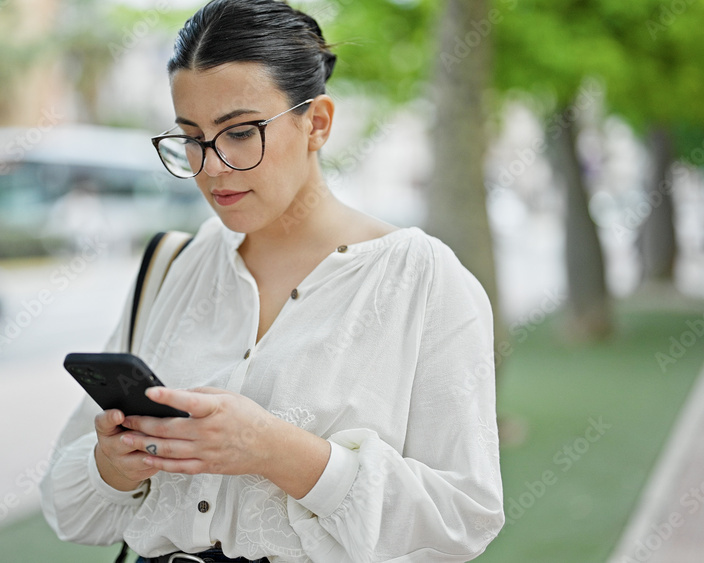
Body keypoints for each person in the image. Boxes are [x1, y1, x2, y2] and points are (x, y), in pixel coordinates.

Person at [39, 1, 505, 561]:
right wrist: (112, 466)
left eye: (239, 133)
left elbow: (463, 516)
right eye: (192, 136)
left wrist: (274, 449)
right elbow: (65, 506)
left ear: (318, 123)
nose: (212, 167)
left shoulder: (421, 281)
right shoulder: (176, 266)